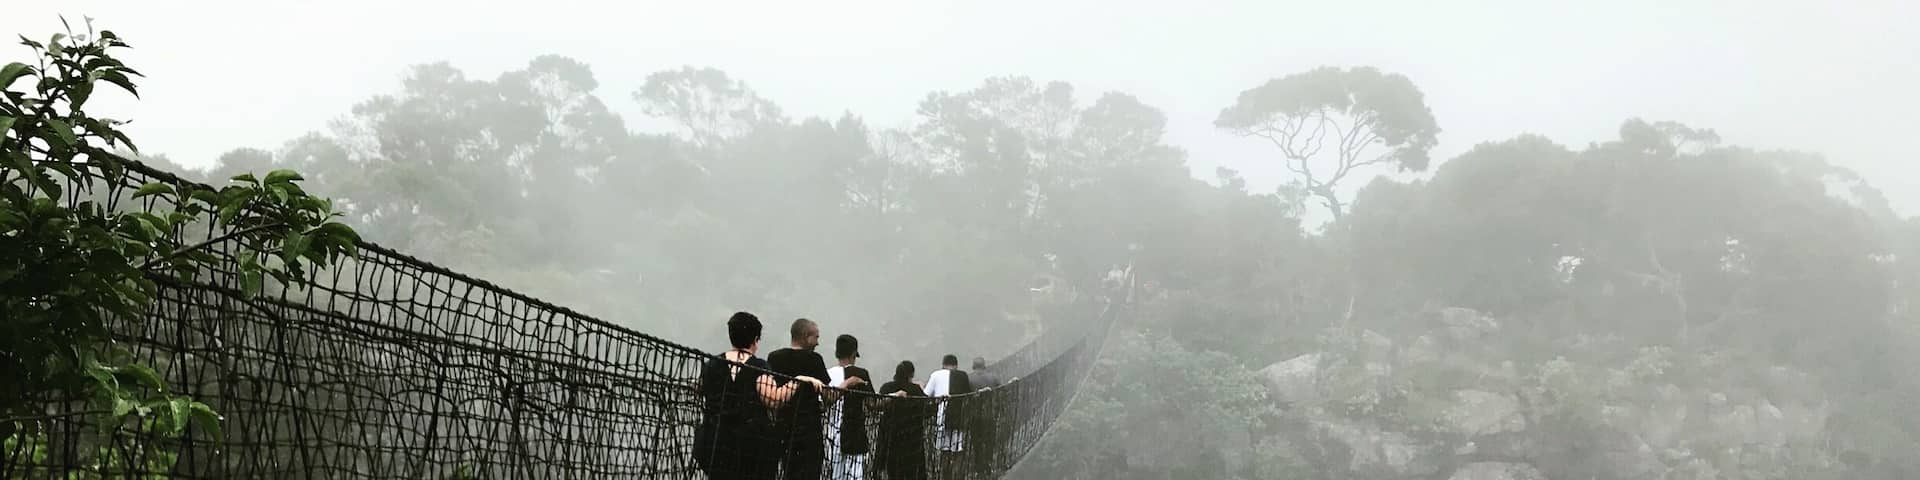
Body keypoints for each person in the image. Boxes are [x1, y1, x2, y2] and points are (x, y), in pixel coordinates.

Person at [694, 312, 822, 480]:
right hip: (750, 446)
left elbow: (700, 389)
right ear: (755, 339)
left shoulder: (712, 364)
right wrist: (798, 381)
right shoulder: (758, 367)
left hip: (715, 442)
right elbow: (773, 400)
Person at [767, 318, 862, 480]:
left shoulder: (774, 358)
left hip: (782, 428)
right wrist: (847, 383)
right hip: (808, 431)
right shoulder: (814, 360)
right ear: (805, 336)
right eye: (816, 337)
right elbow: (828, 396)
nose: (818, 342)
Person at [826, 335, 875, 480]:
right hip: (855, 432)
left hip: (832, 434)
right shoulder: (861, 373)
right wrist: (894, 396)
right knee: (855, 475)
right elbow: (873, 404)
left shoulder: (827, 374)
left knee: (836, 475)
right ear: (854, 354)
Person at [876, 361, 929, 480]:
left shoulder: (887, 387)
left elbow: (878, 405)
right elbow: (928, 410)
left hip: (890, 439)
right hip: (912, 442)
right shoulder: (915, 390)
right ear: (911, 374)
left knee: (893, 473)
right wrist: (923, 389)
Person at [923, 354, 972, 479]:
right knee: (957, 451)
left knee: (944, 452)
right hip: (958, 418)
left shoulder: (935, 375)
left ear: (943, 364)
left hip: (941, 419)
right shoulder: (963, 375)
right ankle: (957, 476)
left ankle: (944, 476)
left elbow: (925, 395)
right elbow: (969, 395)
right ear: (956, 365)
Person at [964, 357, 1001, 477]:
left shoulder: (968, 379)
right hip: (990, 414)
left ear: (973, 366)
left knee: (977, 442)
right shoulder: (993, 377)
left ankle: (978, 469)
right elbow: (1001, 391)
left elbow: (966, 397)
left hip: (975, 415)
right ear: (984, 366)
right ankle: (988, 465)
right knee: (989, 441)